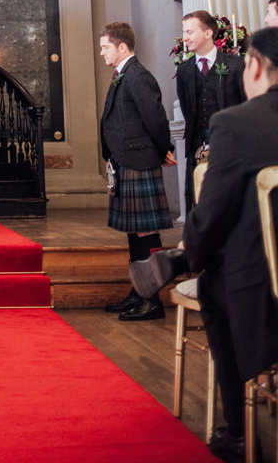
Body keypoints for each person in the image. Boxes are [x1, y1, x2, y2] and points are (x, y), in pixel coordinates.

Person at [130, 27, 278, 463]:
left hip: (264, 283)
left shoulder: (238, 124)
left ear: (254, 67)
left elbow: (209, 216)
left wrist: (194, 253)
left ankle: (240, 430)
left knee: (216, 282)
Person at [99, 21, 176, 321]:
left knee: (145, 231)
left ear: (122, 46)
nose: (103, 52)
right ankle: (139, 292)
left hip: (139, 161)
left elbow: (155, 118)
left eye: (106, 47)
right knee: (134, 231)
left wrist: (162, 150)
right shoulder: (123, 74)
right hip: (126, 161)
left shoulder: (136, 75)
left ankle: (152, 300)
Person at [176, 10, 245, 213]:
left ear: (208, 33)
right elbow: (186, 107)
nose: (185, 38)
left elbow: (245, 105)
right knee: (199, 202)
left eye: (190, 32)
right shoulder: (184, 70)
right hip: (196, 142)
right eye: (184, 32)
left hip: (230, 143)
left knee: (230, 201)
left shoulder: (236, 66)